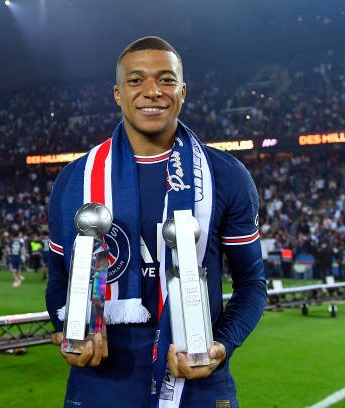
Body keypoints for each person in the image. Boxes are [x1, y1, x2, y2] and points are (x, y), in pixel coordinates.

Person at [46, 36, 266, 408]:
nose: (152, 91)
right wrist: (69, 330)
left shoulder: (225, 175)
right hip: (100, 386)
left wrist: (221, 344)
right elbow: (59, 280)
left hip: (197, 383)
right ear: (118, 93)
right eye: (136, 80)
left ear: (183, 91)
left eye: (166, 80)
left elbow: (252, 284)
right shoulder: (74, 180)